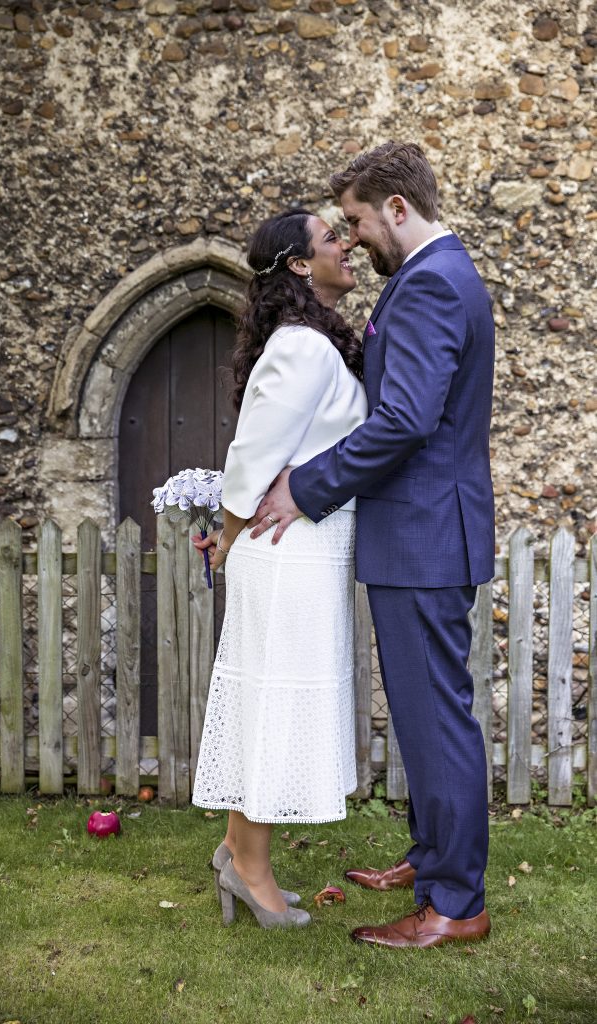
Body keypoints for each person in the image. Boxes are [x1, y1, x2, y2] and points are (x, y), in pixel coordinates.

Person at [250, 141, 495, 948]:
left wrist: (304, 485)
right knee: (425, 714)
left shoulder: (428, 283)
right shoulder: (436, 275)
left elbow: (403, 421)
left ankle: (453, 904)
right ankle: (430, 860)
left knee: (435, 721)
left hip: (423, 533)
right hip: (421, 531)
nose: (351, 238)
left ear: (397, 207)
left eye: (356, 220)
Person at [191, 209, 367, 929]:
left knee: (275, 696)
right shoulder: (301, 348)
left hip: (304, 548)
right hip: (284, 553)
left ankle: (236, 851)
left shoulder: (314, 344)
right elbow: (253, 458)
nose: (346, 243)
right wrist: (229, 540)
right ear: (298, 264)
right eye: (332, 237)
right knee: (273, 702)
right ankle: (251, 870)